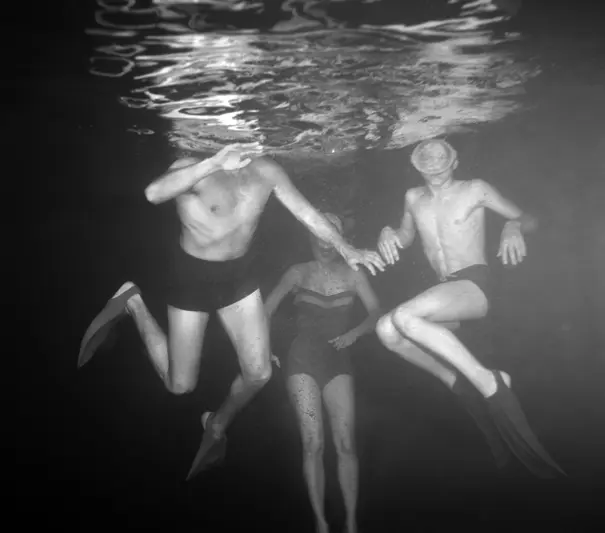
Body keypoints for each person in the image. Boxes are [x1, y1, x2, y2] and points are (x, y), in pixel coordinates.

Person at [77, 145, 385, 480]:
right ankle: (132, 301)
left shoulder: (266, 170)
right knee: (180, 385)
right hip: (191, 277)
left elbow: (308, 214)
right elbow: (154, 193)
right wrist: (213, 163)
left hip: (240, 277)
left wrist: (346, 247)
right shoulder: (192, 166)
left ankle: (216, 424)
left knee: (259, 373)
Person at [375, 138, 565, 478]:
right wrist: (387, 233)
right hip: (447, 290)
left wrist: (512, 225)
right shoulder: (412, 197)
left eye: (440, 153)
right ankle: (454, 380)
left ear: (454, 160)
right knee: (387, 330)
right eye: (425, 154)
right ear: (415, 162)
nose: (432, 159)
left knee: (406, 316)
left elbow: (529, 218)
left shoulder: (476, 189)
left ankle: (489, 381)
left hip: (476, 284)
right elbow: (404, 237)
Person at [265, 213, 381, 533]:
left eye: (333, 236)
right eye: (319, 234)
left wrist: (355, 333)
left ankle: (353, 522)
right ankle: (320, 522)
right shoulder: (297, 272)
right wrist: (261, 349)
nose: (325, 242)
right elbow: (265, 310)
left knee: (345, 443)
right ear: (310, 236)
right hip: (301, 361)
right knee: (313, 442)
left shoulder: (355, 274)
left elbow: (377, 312)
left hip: (338, 362)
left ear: (341, 239)